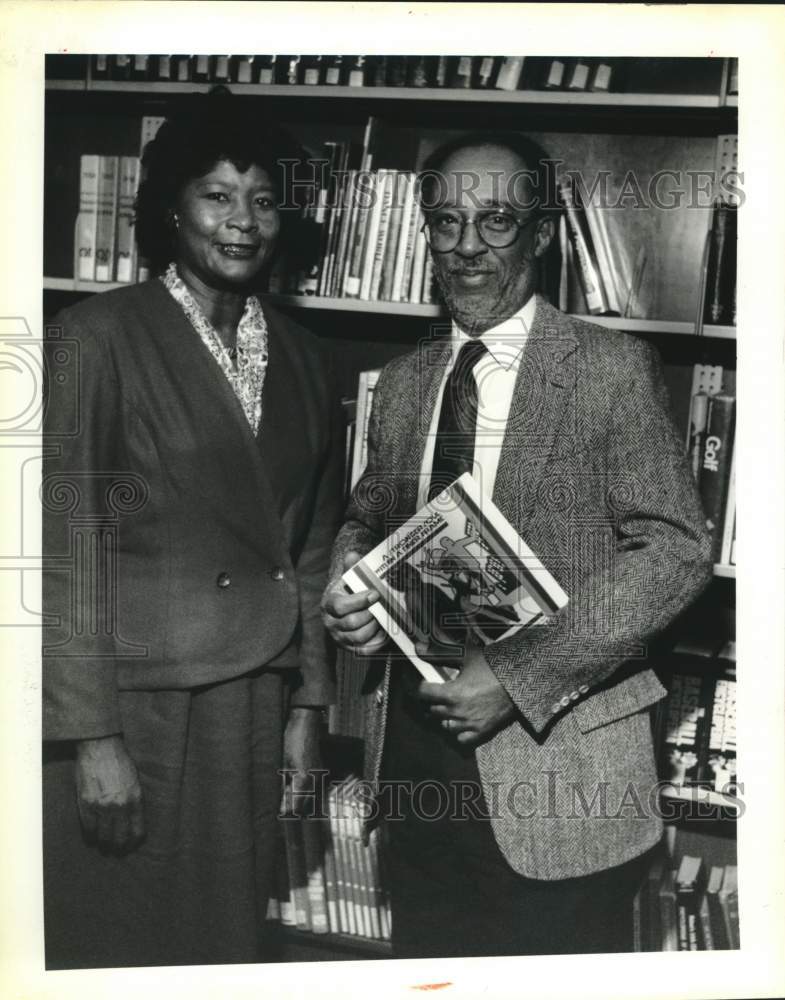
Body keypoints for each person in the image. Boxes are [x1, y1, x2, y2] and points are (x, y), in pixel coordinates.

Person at [322, 131, 713, 958]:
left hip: (560, 771)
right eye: (446, 222)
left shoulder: (607, 370)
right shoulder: (402, 383)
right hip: (419, 766)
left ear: (538, 235)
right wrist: (348, 586)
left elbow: (675, 550)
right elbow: (368, 518)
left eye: (495, 221)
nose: (466, 247)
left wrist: (516, 674)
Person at [42, 96, 343, 968]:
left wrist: (309, 704)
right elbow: (64, 549)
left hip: (253, 697)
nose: (242, 223)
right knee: (114, 934)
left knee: (219, 939)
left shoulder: (304, 355)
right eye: (217, 196)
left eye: (261, 200)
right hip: (135, 705)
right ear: (171, 209)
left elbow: (311, 544)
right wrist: (90, 738)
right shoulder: (96, 335)